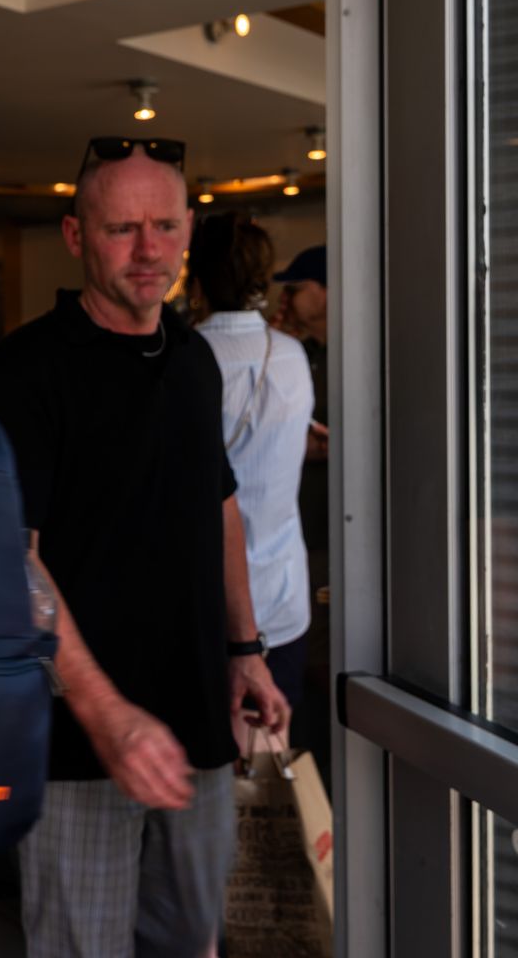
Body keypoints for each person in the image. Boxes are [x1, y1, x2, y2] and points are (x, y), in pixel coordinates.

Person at [0, 136, 290, 958]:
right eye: (121, 230)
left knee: (193, 941)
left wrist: (246, 648)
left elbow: (219, 505)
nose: (148, 251)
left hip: (198, 729)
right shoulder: (27, 371)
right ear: (77, 237)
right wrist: (108, 718)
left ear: (188, 230)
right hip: (79, 743)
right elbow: (12, 558)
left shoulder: (193, 358)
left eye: (164, 226)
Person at [188, 214, 316, 711]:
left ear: (195, 281)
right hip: (283, 596)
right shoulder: (291, 355)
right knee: (270, 762)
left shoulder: (184, 358)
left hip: (204, 602)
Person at [272, 245, 329, 602]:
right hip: (297, 524)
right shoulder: (300, 354)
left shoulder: (367, 355)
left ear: (325, 289)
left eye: (296, 289)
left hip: (335, 528)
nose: (287, 299)